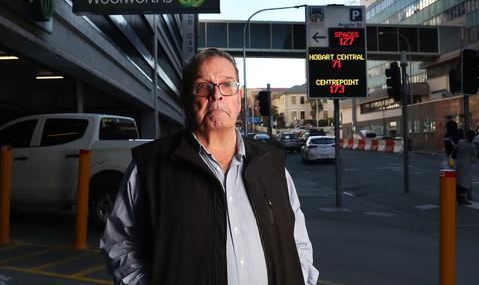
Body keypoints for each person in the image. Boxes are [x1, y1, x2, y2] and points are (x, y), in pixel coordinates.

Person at [100, 48, 319, 285]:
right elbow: (120, 244)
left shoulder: (272, 166)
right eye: (203, 86)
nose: (217, 96)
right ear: (185, 99)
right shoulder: (150, 167)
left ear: (239, 97)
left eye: (227, 85)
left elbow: (297, 242)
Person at [454, 129, 477, 205]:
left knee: (459, 180)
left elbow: (456, 150)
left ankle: (457, 196)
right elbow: (474, 155)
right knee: (465, 181)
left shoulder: (460, 142)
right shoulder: (471, 145)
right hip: (466, 164)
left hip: (458, 163)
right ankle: (462, 198)